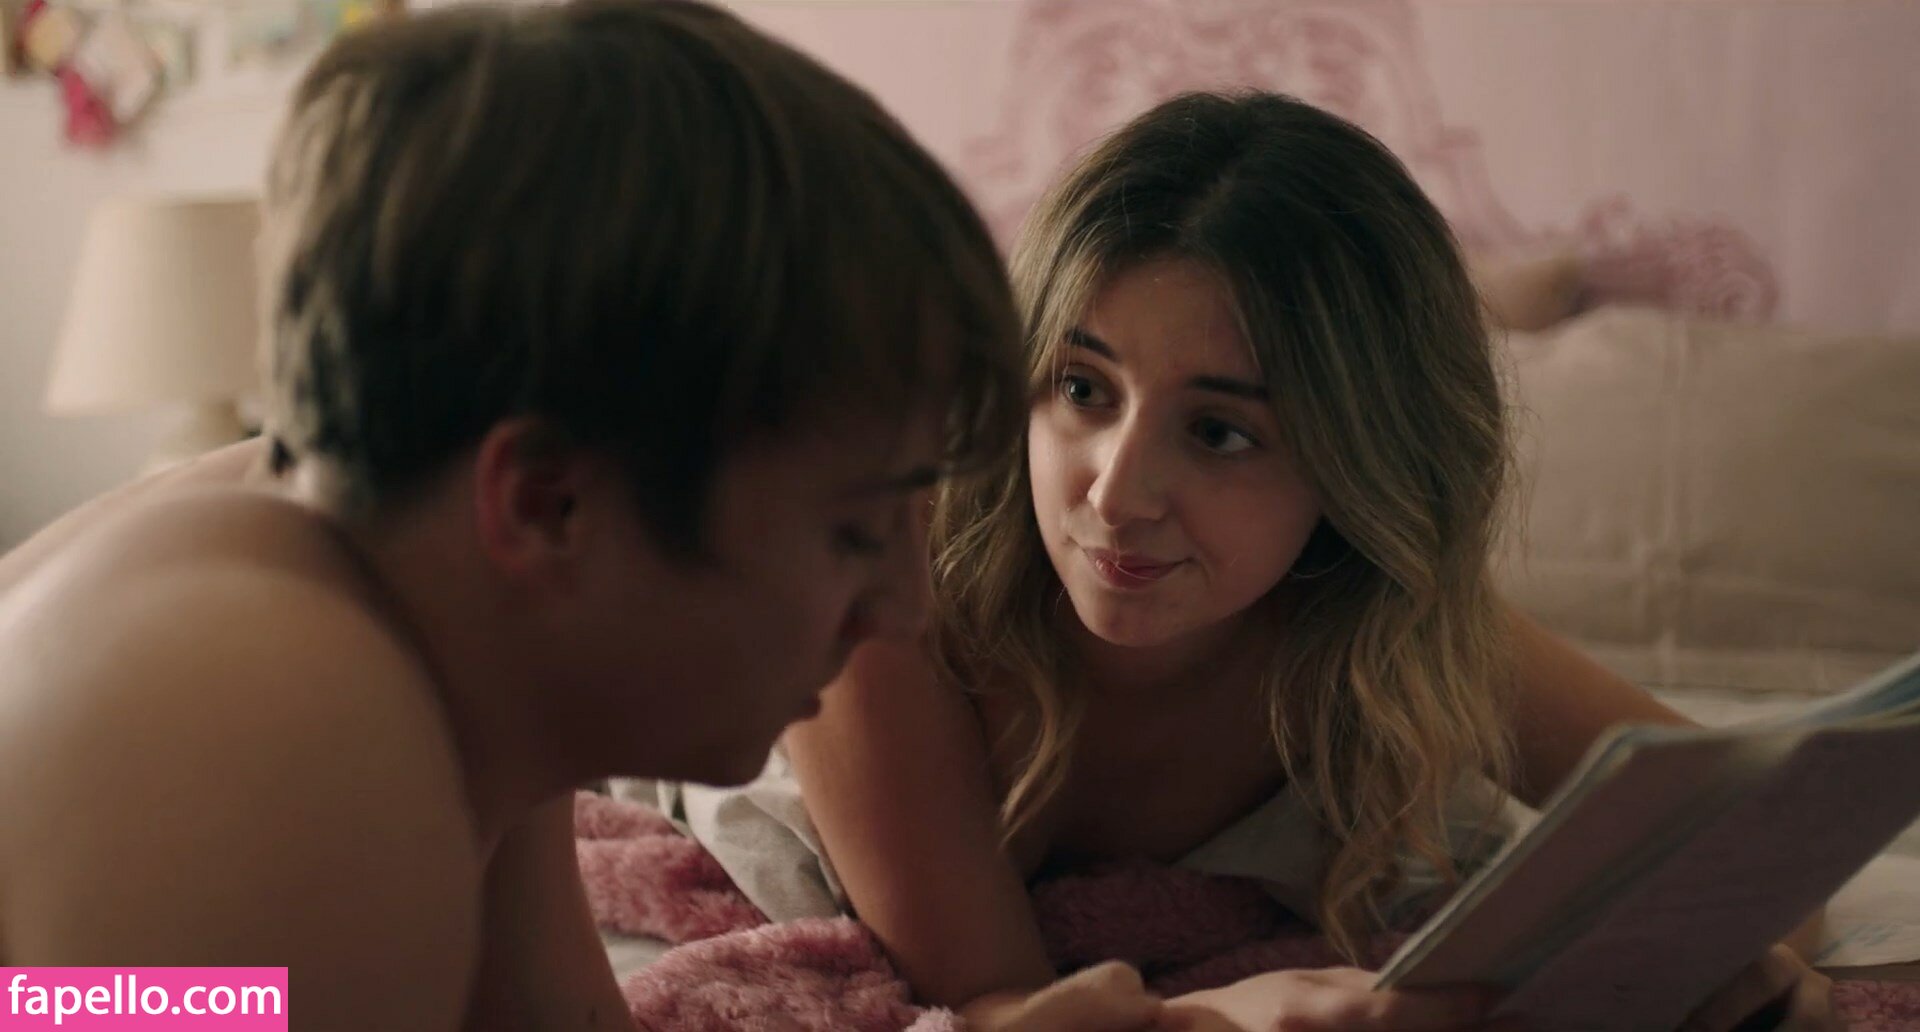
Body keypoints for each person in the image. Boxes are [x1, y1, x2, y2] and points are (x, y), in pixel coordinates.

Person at [656, 91, 1838, 1032]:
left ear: (1354, 466)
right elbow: (1002, 1005)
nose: (1114, 494)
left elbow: (1770, 829)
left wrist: (1747, 965)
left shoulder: (1376, 622)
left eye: (1220, 432)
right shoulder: (884, 591)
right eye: (1081, 389)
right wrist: (1222, 1018)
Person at [0, 2, 1051, 1027]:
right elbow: (111, 1015)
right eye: (857, 531)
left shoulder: (464, 654)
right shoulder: (286, 727)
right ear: (548, 503)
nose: (906, 608)